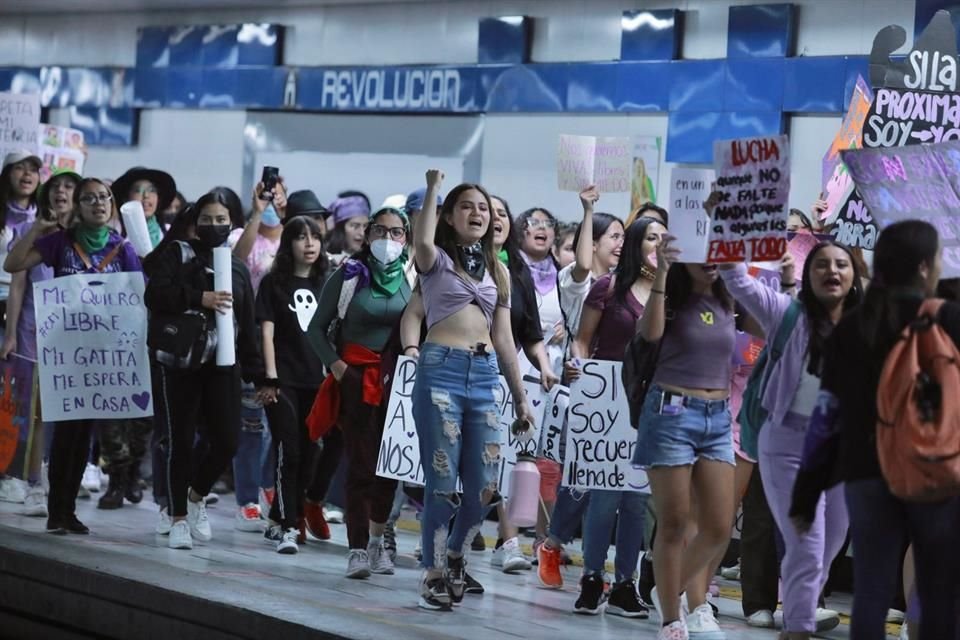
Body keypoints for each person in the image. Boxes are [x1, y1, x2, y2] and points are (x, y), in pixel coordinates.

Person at [792, 220, 960, 640]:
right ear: (925, 267)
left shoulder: (853, 325)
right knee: (939, 590)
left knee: (870, 588)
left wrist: (806, 492)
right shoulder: (951, 320)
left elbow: (826, 417)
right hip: (936, 472)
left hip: (866, 471)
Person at [720, 240, 864, 639]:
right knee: (808, 541)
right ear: (807, 275)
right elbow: (735, 279)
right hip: (787, 442)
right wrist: (725, 229)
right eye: (821, 265)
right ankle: (798, 627)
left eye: (841, 265)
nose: (832, 271)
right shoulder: (787, 312)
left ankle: (799, 605)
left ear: (854, 276)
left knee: (830, 544)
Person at [411, 170, 532, 611]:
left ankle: (458, 552)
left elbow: (504, 338)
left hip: (483, 377)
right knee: (442, 483)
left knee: (484, 487)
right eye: (467, 206)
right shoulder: (436, 260)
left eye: (484, 207)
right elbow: (422, 240)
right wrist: (431, 190)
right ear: (448, 216)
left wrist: (519, 396)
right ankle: (433, 569)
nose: (478, 213)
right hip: (440, 371)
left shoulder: (498, 270)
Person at [4, 177, 142, 534]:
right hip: (65, 355)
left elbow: (137, 299)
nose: (99, 204)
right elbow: (13, 263)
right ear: (78, 207)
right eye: (90, 198)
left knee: (85, 437)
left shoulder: (122, 248)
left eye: (104, 198)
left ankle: (68, 510)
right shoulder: (59, 243)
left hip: (103, 359)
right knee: (65, 433)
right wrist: (37, 228)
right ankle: (57, 511)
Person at [144, 188, 263, 550]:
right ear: (196, 222)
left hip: (223, 365)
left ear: (232, 225)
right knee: (180, 440)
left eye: (221, 220)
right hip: (180, 363)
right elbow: (156, 295)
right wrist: (200, 298)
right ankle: (177, 516)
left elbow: (247, 323)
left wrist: (258, 373)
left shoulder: (237, 269)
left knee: (227, 440)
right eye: (207, 219)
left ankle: (196, 497)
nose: (214, 225)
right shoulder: (176, 254)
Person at [635, 235, 737, 640]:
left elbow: (772, 324)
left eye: (719, 252)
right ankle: (670, 620)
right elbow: (650, 333)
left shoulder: (730, 299)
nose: (710, 260)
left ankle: (667, 589)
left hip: (718, 418)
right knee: (675, 522)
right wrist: (661, 271)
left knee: (718, 525)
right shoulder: (672, 297)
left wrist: (778, 281)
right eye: (703, 251)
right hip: (671, 412)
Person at [569, 215, 667, 618]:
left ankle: (625, 584)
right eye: (651, 238)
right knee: (605, 496)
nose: (659, 245)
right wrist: (578, 368)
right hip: (607, 402)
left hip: (648, 404)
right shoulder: (608, 289)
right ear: (635, 246)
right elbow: (582, 340)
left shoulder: (670, 293)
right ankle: (593, 577)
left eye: (665, 238)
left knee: (637, 501)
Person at [307, 205, 412, 577]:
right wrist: (338, 368)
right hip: (355, 380)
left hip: (398, 382)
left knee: (389, 468)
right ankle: (355, 548)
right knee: (361, 466)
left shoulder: (413, 278)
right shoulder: (350, 276)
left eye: (396, 232)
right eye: (380, 231)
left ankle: (377, 541)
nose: (388, 239)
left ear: (406, 237)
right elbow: (316, 329)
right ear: (367, 236)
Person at [537, 187, 625, 588]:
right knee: (581, 482)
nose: (622, 244)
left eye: (626, 237)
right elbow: (582, 269)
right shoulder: (578, 283)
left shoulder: (631, 286)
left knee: (610, 489)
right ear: (592, 245)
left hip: (623, 397)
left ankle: (595, 567)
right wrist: (588, 209)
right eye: (615, 237)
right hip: (584, 391)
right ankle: (552, 544)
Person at [3, 168, 81, 517]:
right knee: (32, 410)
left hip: (74, 339)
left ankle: (58, 482)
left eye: (69, 187)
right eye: (57, 186)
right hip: (34, 331)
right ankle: (31, 480)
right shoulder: (29, 232)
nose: (62, 192)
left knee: (65, 413)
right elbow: (17, 283)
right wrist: (10, 333)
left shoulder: (86, 237)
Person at [486, 193, 558, 573]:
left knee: (509, 460)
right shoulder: (457, 264)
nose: (495, 218)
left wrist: (544, 366)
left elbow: (531, 333)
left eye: (501, 212)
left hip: (510, 380)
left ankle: (510, 541)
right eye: (486, 211)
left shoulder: (518, 272)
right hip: (465, 373)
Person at [256, 215, 329, 554]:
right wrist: (270, 377)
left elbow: (332, 333)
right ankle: (288, 526)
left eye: (315, 236)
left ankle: (280, 515)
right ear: (289, 244)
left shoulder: (327, 283)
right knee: (290, 451)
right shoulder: (275, 283)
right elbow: (266, 334)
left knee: (312, 451)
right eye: (301, 237)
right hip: (283, 381)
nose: (309, 243)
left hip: (318, 382)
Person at [516, 207, 565, 376]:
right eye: (534, 222)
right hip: (514, 361)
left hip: (552, 365)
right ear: (520, 232)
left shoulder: (563, 276)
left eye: (548, 224)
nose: (542, 227)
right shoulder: (509, 270)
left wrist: (564, 329)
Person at [111, 167, 177, 249]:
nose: (146, 195)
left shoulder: (169, 232)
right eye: (138, 191)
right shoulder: (114, 230)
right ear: (125, 198)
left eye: (152, 190)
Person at [325, 192, 371, 267]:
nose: (362, 233)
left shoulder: (370, 262)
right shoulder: (325, 262)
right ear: (340, 229)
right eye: (355, 226)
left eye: (365, 226)